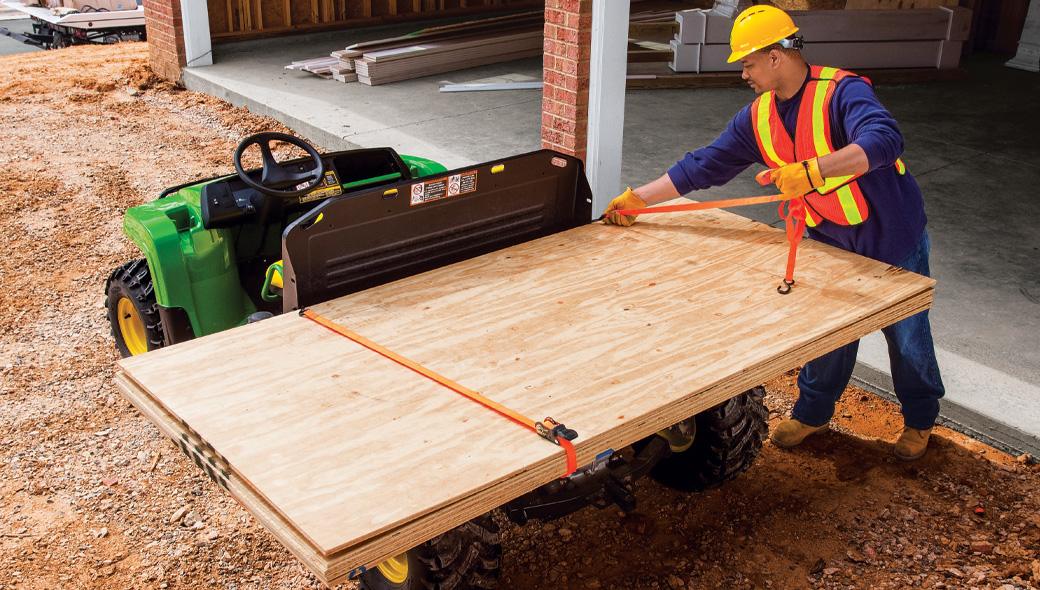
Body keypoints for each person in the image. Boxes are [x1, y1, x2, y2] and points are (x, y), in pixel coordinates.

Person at [602, 5, 945, 461]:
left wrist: (814, 171)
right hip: (830, 237)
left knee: (908, 335)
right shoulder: (758, 117)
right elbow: (705, 164)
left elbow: (884, 141)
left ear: (777, 56)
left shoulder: (842, 92)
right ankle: (813, 413)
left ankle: (920, 420)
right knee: (828, 332)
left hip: (891, 235)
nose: (743, 73)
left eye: (747, 62)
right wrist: (641, 199)